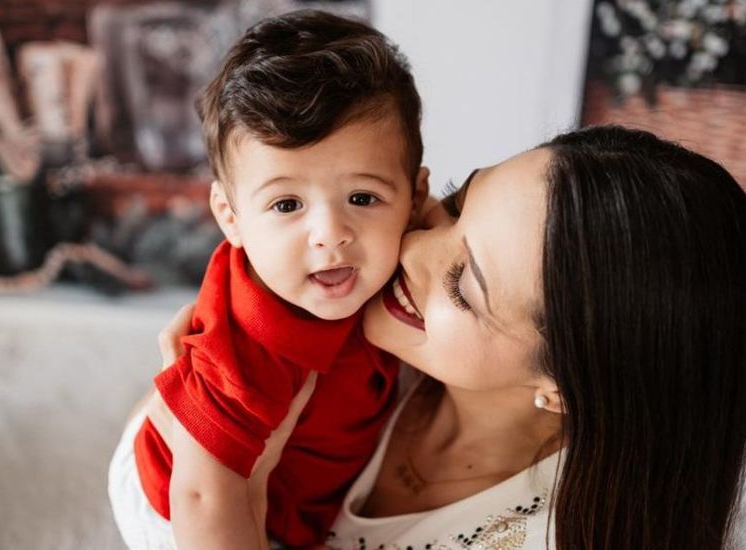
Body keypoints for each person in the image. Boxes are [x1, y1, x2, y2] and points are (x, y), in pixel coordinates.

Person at [155, 125, 746, 549]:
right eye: (456, 205)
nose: (409, 248)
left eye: (464, 287)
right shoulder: (340, 322)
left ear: (563, 386)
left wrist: (242, 486)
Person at [107, 10, 430, 550]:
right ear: (229, 216)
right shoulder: (248, 341)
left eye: (362, 198)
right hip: (178, 504)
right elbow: (204, 499)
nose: (330, 235)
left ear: (416, 200)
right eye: (287, 204)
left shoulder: (414, 251)